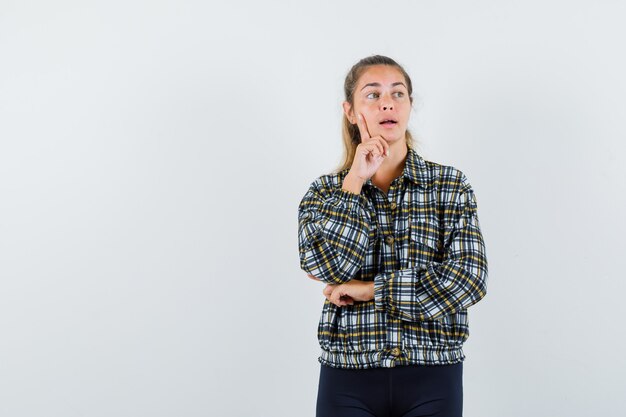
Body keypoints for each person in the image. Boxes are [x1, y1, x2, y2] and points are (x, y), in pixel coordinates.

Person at [297, 55, 489, 417]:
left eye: (398, 94)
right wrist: (354, 181)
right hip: (347, 374)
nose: (388, 102)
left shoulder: (449, 186)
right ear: (350, 111)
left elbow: (469, 279)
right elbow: (328, 267)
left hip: (433, 372)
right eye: (373, 94)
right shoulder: (324, 193)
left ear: (410, 106)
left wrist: (371, 289)